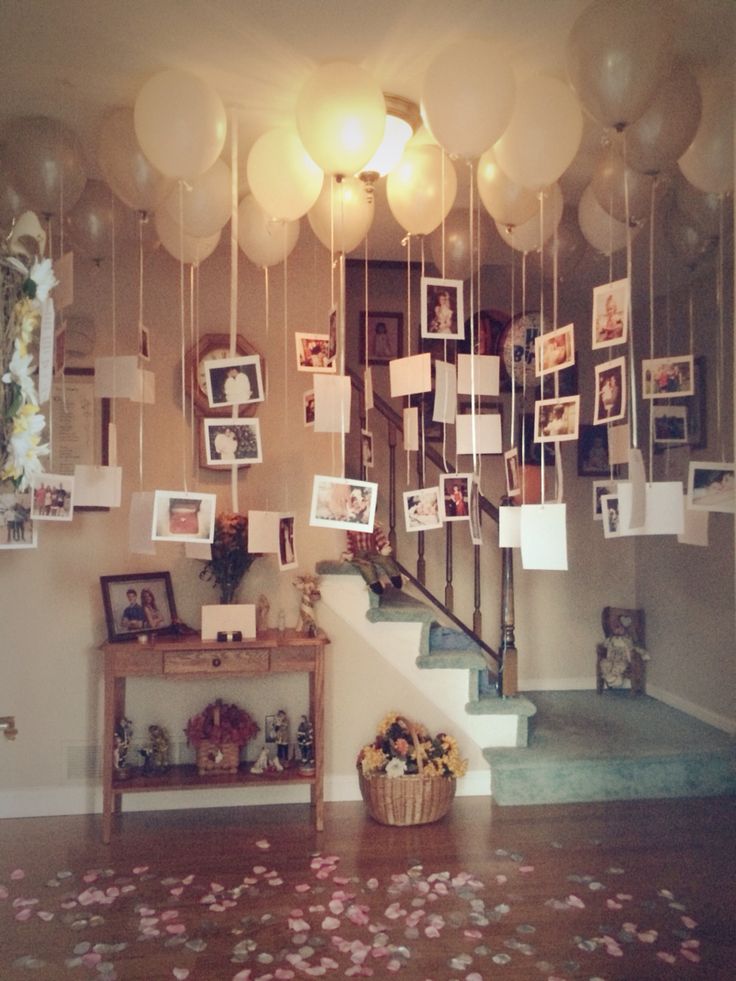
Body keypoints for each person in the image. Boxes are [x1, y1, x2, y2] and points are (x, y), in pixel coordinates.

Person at [343, 523, 402, 595]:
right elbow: (350, 545)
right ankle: (374, 584)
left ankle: (395, 577)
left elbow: (380, 539)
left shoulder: (373, 526)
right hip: (358, 555)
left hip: (372, 553)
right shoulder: (351, 528)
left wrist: (383, 547)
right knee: (366, 566)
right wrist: (349, 554)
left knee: (384, 559)